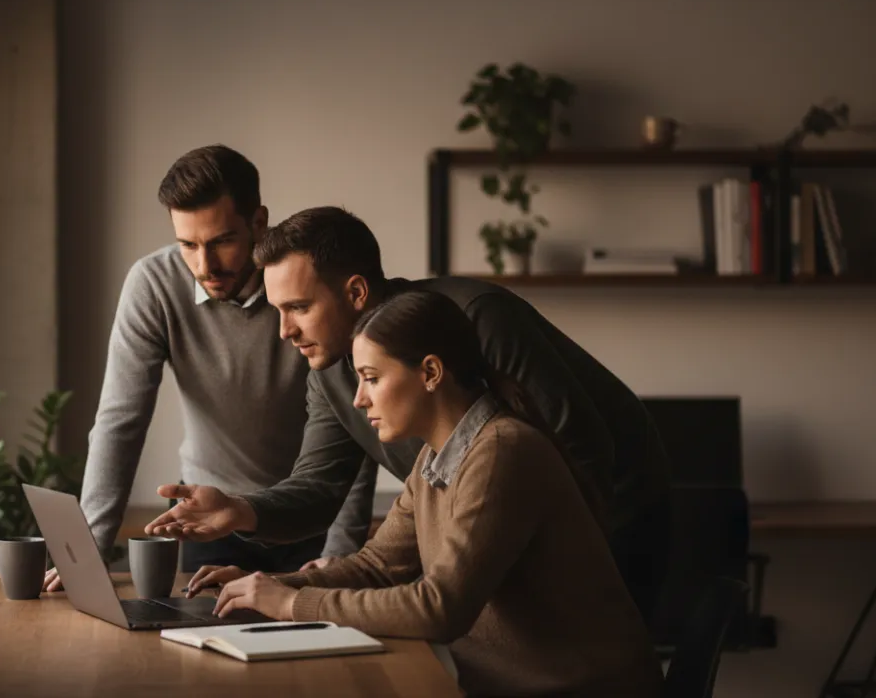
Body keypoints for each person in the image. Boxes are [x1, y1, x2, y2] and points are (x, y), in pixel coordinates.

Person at [144, 206, 672, 622]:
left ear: (354, 292)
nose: (283, 332)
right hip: (499, 552)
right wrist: (242, 511)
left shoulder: (473, 321)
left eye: (298, 308)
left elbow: (582, 450)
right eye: (278, 310)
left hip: (617, 517)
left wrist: (530, 570)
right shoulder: (332, 373)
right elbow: (319, 490)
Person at [192, 290, 665, 696]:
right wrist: (264, 588)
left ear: (431, 372)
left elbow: (440, 609)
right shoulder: (434, 459)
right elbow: (377, 567)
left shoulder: (502, 452)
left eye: (372, 378)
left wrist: (291, 605)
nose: (359, 399)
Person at [45, 150, 375, 590]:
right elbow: (120, 422)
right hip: (209, 513)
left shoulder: (306, 282)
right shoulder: (154, 285)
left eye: (221, 241)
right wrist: (87, 553)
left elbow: (355, 421)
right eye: (188, 245)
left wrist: (341, 549)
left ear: (259, 223)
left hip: (311, 516)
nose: (205, 266)